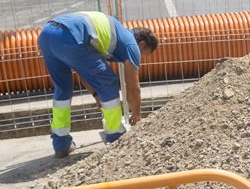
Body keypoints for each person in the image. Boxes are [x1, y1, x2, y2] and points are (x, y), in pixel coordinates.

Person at [37, 11, 159, 158]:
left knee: (63, 89)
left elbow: (84, 73)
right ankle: (115, 136)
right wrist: (137, 115)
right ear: (142, 44)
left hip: (47, 35)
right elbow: (133, 89)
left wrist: (96, 94)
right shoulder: (131, 45)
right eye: (144, 54)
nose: (140, 58)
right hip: (70, 35)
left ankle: (61, 143)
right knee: (108, 81)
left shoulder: (110, 36)